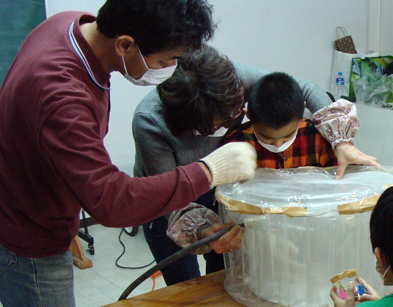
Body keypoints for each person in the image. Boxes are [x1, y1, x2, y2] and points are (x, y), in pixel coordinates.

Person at [0, 0, 257, 307]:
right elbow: (112, 204)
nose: (170, 70)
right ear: (125, 45)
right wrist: (208, 171)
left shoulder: (70, 26)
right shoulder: (60, 91)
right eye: (166, 60)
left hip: (29, 202)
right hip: (27, 235)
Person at [133, 46, 375, 285]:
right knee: (184, 285)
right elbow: (171, 199)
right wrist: (202, 230)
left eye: (232, 118)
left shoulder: (229, 80)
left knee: (220, 270)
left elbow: (306, 90)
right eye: (215, 127)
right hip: (168, 197)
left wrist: (340, 140)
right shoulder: (150, 122)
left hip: (218, 186)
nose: (228, 128)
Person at [221, 71, 337, 169]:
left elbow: (337, 178)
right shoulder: (235, 143)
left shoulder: (317, 137)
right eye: (266, 137)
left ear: (300, 113)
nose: (277, 145)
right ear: (249, 115)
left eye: (288, 136)